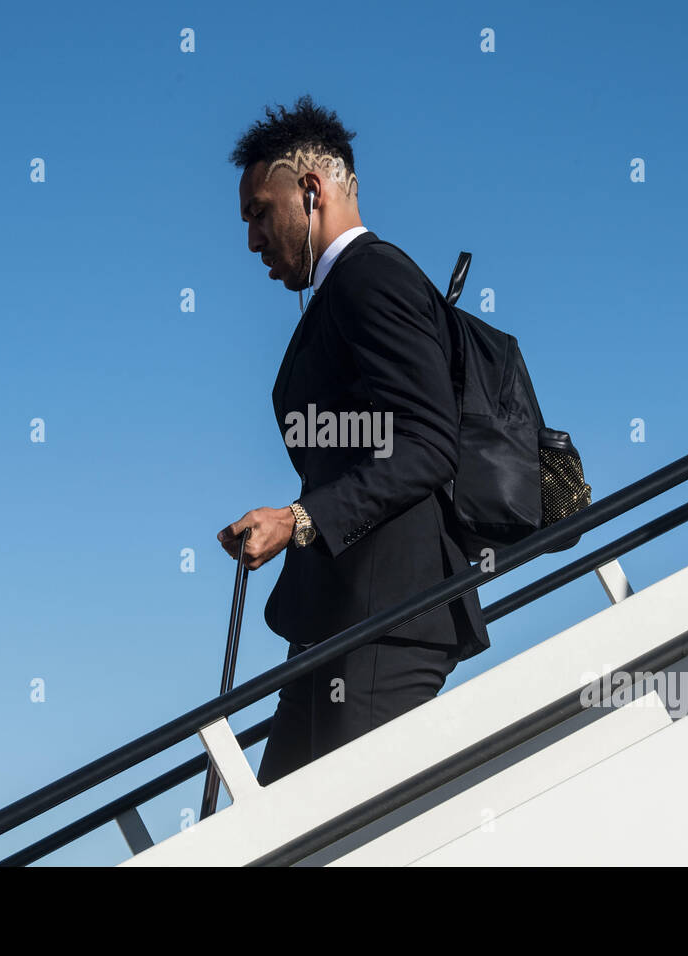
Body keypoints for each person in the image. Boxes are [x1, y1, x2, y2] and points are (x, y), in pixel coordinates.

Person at [218, 94, 489, 786]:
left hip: (385, 622)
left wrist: (300, 519)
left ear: (311, 192)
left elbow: (429, 442)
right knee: (275, 839)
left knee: (330, 843)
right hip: (343, 621)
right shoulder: (346, 289)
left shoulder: (373, 277)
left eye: (259, 212)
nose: (251, 240)